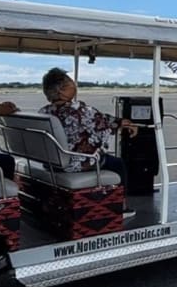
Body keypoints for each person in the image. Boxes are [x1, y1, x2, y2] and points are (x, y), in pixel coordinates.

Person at [38, 67, 138, 219]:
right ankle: (121, 207)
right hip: (74, 164)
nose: (74, 85)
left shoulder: (44, 112)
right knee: (117, 163)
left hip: (53, 163)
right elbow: (103, 122)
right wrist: (122, 123)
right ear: (62, 91)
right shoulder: (80, 110)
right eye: (70, 82)